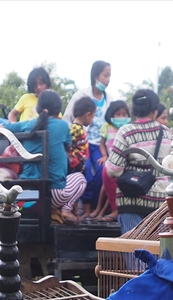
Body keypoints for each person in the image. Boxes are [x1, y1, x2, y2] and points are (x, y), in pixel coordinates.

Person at [6, 90, 86, 223]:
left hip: (27, 190)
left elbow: (4, 128)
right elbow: (68, 146)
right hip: (53, 194)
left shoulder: (27, 124)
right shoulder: (62, 125)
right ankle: (66, 210)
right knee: (81, 178)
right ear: (58, 110)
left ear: (38, 108)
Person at [105, 88, 169, 234]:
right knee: (159, 247)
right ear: (155, 110)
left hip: (130, 201)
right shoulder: (166, 133)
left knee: (134, 246)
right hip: (160, 203)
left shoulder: (125, 132)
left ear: (133, 110)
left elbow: (113, 170)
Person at [65, 61, 113, 219]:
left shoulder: (109, 100)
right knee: (84, 172)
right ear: (95, 76)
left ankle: (95, 207)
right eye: (105, 75)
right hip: (82, 144)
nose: (108, 80)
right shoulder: (81, 96)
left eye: (109, 76)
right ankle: (85, 208)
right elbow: (67, 118)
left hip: (99, 145)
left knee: (102, 171)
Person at [90, 100, 129, 221]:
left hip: (123, 162)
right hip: (111, 161)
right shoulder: (106, 127)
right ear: (111, 115)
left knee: (114, 185)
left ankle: (103, 211)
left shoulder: (127, 128)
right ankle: (99, 208)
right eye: (118, 114)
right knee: (105, 184)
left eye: (124, 114)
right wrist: (104, 155)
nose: (121, 117)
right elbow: (102, 144)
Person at [68, 96, 97, 219]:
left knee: (81, 186)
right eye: (93, 116)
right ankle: (75, 212)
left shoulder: (79, 128)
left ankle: (77, 212)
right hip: (76, 164)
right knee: (81, 185)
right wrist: (76, 162)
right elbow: (69, 147)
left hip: (81, 163)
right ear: (88, 114)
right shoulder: (75, 129)